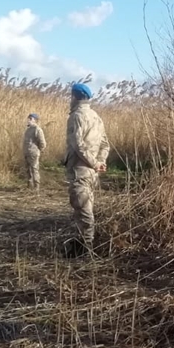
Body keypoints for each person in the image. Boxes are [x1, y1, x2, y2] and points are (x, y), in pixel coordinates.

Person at [64, 82, 109, 257]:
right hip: (92, 173)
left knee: (83, 211)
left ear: (74, 97)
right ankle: (81, 247)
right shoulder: (97, 117)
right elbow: (105, 144)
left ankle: (87, 252)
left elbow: (78, 145)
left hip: (81, 170)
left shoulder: (76, 116)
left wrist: (95, 163)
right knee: (84, 208)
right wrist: (100, 162)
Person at [22, 113, 47, 190]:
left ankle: (37, 187)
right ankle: (29, 185)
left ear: (35, 120)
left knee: (34, 169)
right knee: (27, 169)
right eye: (28, 118)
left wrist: (39, 150)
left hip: (33, 152)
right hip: (27, 152)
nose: (28, 120)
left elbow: (42, 142)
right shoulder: (28, 129)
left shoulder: (37, 129)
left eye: (31, 118)